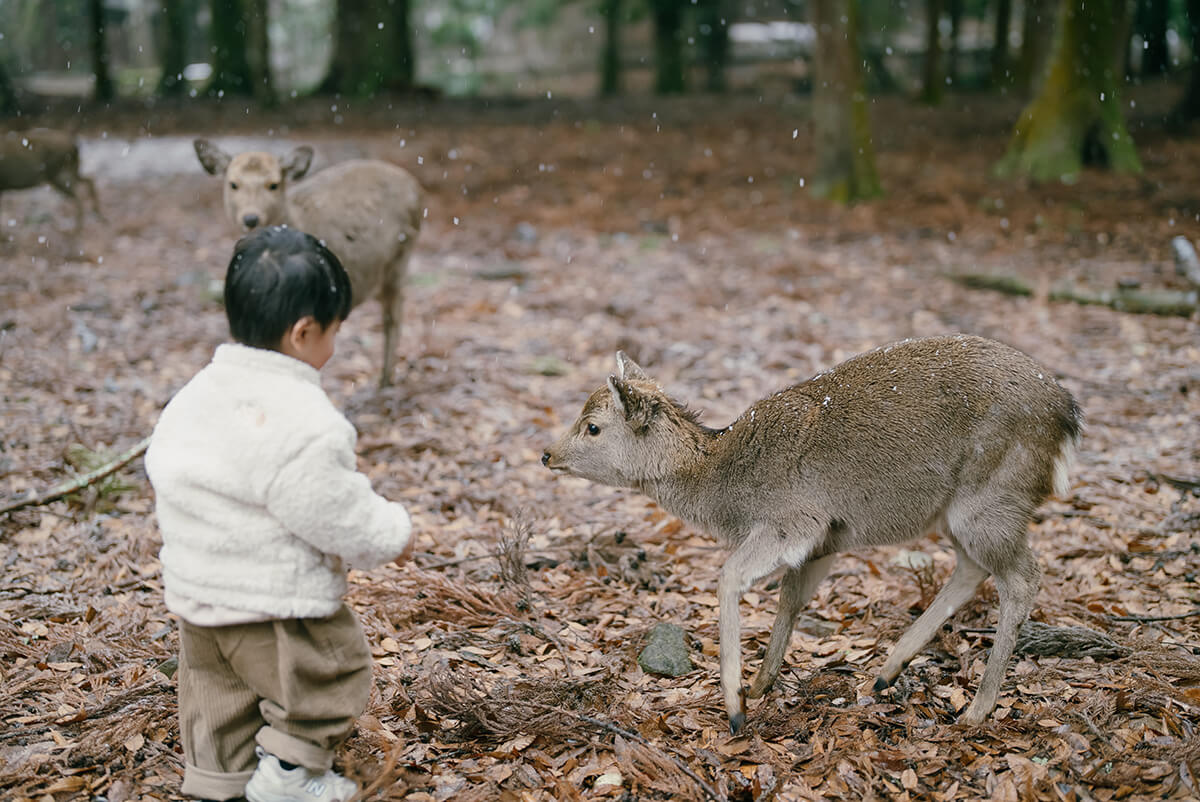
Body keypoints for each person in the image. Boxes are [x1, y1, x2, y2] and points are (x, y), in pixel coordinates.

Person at [145, 226, 413, 802]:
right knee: (328, 676)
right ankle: (291, 775)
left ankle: (225, 782)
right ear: (303, 332)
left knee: (219, 697)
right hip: (272, 602)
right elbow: (332, 509)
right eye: (336, 331)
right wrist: (391, 533)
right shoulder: (302, 419)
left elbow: (167, 467)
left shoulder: (195, 396)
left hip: (199, 597)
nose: (335, 346)